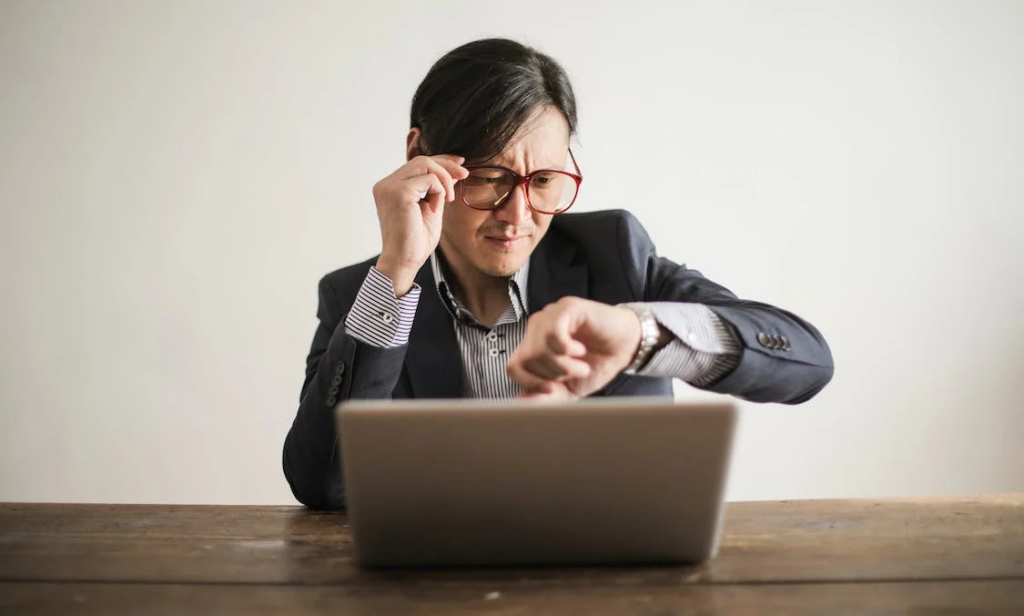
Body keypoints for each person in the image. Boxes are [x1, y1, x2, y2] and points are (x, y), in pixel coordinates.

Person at [283, 38, 834, 510]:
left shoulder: (614, 254)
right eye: (489, 177)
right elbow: (323, 484)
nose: (517, 217)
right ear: (419, 158)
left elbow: (806, 361)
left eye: (544, 180)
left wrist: (639, 338)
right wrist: (397, 275)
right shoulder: (360, 296)